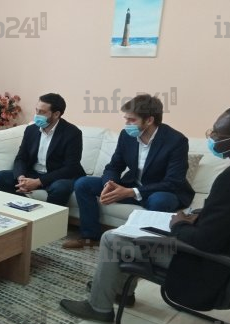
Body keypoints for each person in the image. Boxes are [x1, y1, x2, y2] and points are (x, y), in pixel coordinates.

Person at [59, 105, 230, 322]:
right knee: (123, 221)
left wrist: (179, 224)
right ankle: (122, 292)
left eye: (217, 133)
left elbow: (204, 240)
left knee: (113, 239)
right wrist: (110, 184)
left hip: (207, 264)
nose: (212, 137)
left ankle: (98, 308)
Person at [63, 94, 195, 249]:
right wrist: (109, 184)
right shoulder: (127, 135)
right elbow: (114, 166)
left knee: (159, 200)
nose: (126, 124)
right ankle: (89, 237)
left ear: (149, 120)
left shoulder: (176, 141)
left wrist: (130, 192)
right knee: (83, 183)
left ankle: (144, 247)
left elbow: (173, 182)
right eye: (126, 119)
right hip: (131, 185)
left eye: (132, 120)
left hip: (161, 191)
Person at [0, 93, 85, 206]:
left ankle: (48, 216)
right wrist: (21, 178)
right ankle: (25, 207)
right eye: (36, 110)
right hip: (34, 173)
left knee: (60, 188)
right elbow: (21, 158)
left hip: (58, 176)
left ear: (56, 114)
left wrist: (38, 182)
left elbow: (70, 168)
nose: (37, 115)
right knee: (0, 177)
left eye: (42, 112)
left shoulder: (72, 133)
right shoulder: (31, 130)